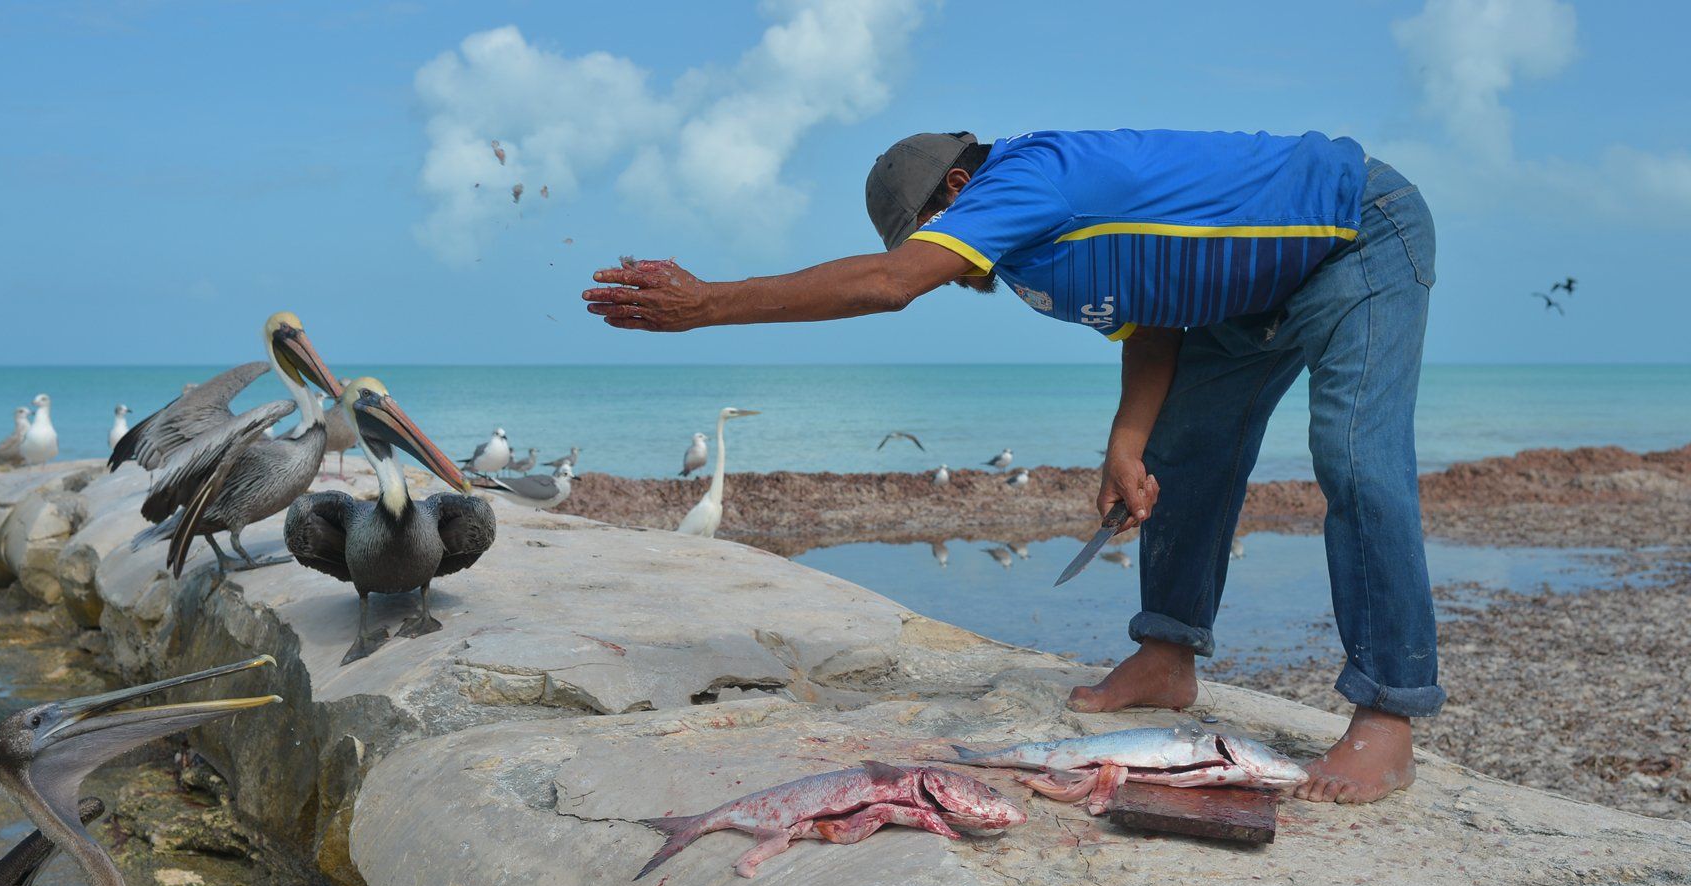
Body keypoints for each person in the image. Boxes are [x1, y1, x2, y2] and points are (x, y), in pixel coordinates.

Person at [582, 127, 1441, 804]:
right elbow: (1149, 318)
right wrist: (1126, 442)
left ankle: (1389, 715)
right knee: (1186, 454)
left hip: (1353, 236)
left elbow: (888, 284)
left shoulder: (1027, 181)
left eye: (932, 234)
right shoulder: (1039, 261)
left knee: (1356, 460)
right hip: (1234, 302)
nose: (944, 262)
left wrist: (706, 307)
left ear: (959, 191)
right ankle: (1168, 658)